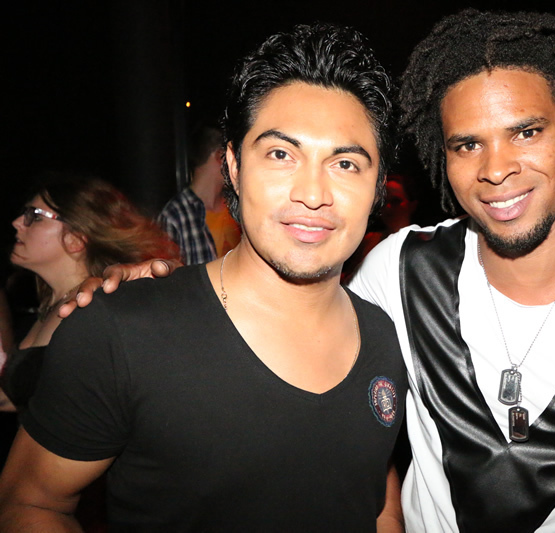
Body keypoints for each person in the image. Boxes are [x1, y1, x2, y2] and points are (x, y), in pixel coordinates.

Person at [59, 10, 555, 532]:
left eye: (526, 132)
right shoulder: (396, 269)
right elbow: (288, 320)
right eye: (467, 144)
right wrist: (148, 289)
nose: (497, 169)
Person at [0, 24, 406, 532]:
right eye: (281, 155)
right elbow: (29, 504)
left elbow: (375, 497)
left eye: (345, 163)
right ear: (233, 166)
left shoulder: (385, 337)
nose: (312, 193)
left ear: (377, 187)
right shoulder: (123, 332)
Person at [0, 175, 179, 412]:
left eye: (35, 216)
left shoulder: (92, 307)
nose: (17, 222)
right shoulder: (50, 306)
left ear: (75, 239)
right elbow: (22, 396)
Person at [158, 125, 241, 265]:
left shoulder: (237, 207)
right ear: (220, 156)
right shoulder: (175, 216)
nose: (237, 165)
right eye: (233, 157)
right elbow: (168, 275)